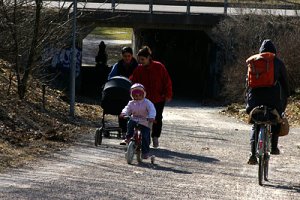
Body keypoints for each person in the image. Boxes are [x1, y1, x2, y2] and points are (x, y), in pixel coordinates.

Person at [245, 39, 290, 165]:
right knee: (276, 118)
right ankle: (274, 147)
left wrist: (247, 101)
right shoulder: (278, 62)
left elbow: (247, 83)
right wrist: (287, 95)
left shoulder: (253, 62)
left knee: (256, 123)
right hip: (273, 100)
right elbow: (285, 82)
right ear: (274, 51)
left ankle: (253, 154)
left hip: (255, 100)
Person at [130, 46, 173, 148]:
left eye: (142, 59)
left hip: (158, 98)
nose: (140, 62)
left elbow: (167, 81)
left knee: (157, 118)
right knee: (142, 118)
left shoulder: (159, 67)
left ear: (148, 57)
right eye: (139, 60)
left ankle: (155, 136)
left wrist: (168, 94)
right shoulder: (139, 69)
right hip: (143, 99)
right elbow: (132, 81)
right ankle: (145, 138)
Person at [107, 46, 139, 138]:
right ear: (122, 56)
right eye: (125, 56)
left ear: (132, 56)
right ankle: (124, 130)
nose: (127, 58)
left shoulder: (137, 66)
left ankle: (132, 130)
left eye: (129, 56)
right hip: (121, 91)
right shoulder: (117, 66)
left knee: (133, 111)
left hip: (133, 92)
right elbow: (111, 77)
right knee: (122, 110)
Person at [119, 83, 156, 159]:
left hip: (145, 121)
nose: (138, 97)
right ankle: (128, 137)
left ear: (143, 94)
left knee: (145, 136)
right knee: (130, 123)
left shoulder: (147, 102)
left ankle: (145, 152)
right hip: (135, 119)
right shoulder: (131, 103)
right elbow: (127, 108)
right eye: (135, 95)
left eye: (140, 95)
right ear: (132, 95)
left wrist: (151, 117)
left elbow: (152, 110)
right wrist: (124, 113)